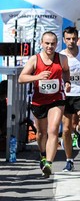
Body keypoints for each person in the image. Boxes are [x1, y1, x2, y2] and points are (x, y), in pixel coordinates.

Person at [19, 31, 71, 177]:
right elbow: (21, 78)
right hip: (39, 100)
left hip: (57, 98)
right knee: (41, 133)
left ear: (57, 44)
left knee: (53, 129)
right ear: (41, 43)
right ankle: (43, 155)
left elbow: (66, 71)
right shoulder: (35, 59)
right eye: (47, 43)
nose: (50, 46)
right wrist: (38, 76)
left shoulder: (62, 58)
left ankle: (48, 162)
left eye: (53, 43)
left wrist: (67, 82)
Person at [60, 26, 80, 172]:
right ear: (64, 40)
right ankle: (69, 160)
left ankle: (79, 133)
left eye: (73, 38)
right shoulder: (60, 55)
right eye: (68, 39)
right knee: (66, 130)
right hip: (66, 95)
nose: (71, 41)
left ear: (77, 38)